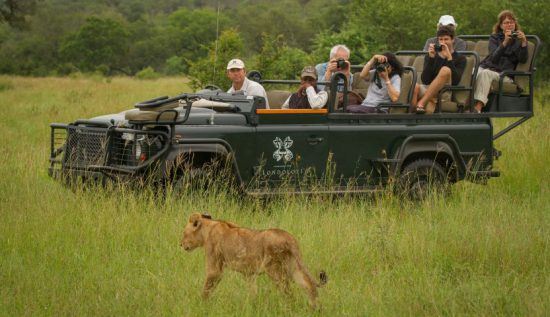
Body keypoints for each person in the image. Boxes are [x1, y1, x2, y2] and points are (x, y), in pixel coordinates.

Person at [472, 10, 528, 113]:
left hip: (504, 74)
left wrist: (524, 42)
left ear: (515, 24)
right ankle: (465, 105)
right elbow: (494, 58)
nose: (509, 25)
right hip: (488, 67)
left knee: (485, 74)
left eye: (512, 22)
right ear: (501, 26)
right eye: (506, 22)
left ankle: (478, 108)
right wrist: (505, 42)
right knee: (471, 72)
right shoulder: (494, 38)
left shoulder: (520, 40)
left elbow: (523, 60)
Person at [413, 25, 466, 114]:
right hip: (428, 88)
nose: (443, 42)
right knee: (415, 87)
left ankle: (421, 103)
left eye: (446, 39)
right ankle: (411, 114)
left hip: (444, 92)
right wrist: (431, 59)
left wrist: (449, 58)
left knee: (445, 70)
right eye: (440, 39)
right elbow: (425, 80)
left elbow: (455, 81)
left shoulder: (461, 58)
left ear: (453, 40)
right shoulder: (431, 55)